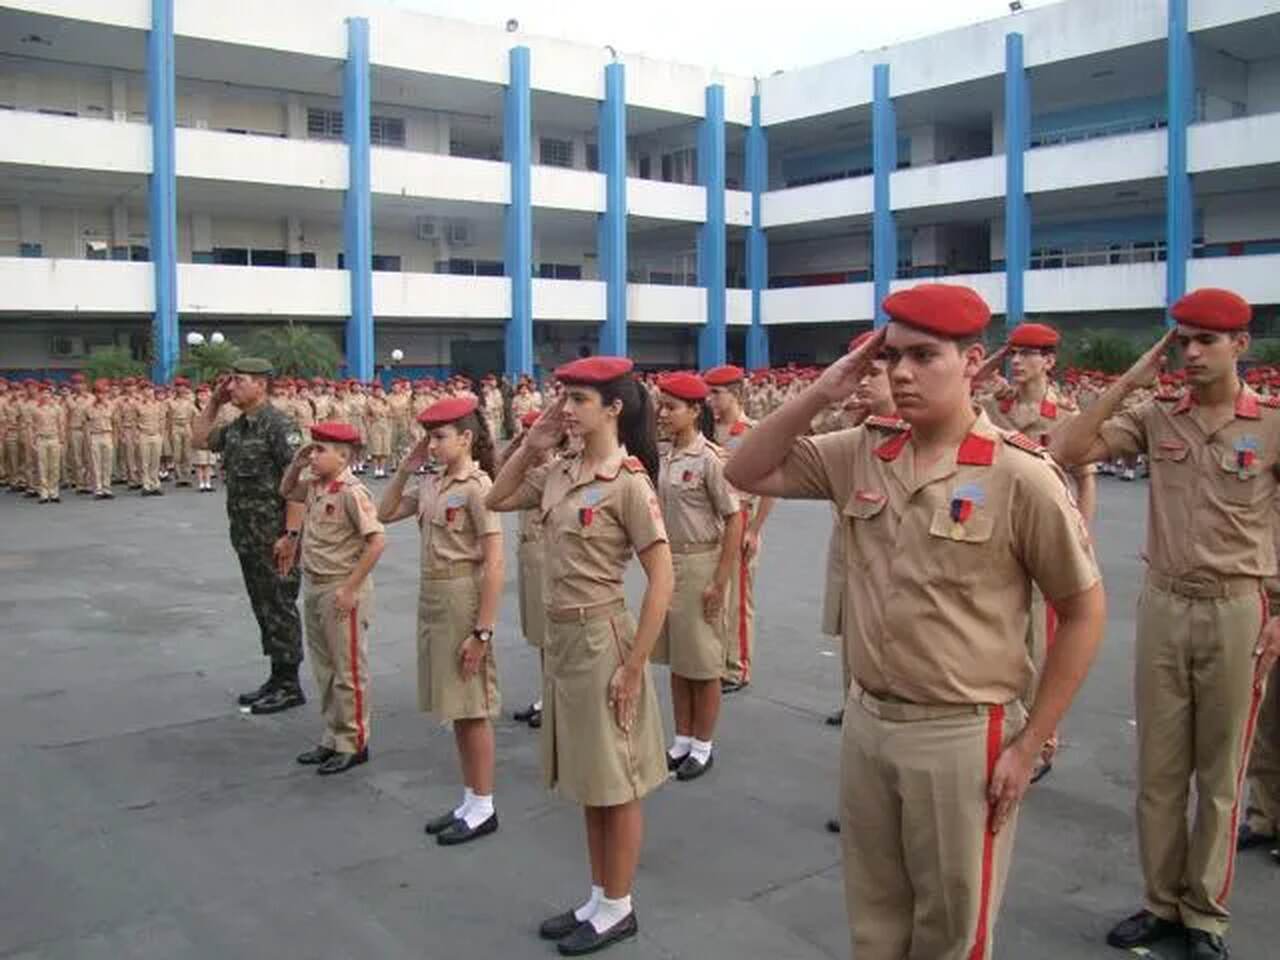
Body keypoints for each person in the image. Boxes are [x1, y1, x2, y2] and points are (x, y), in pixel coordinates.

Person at [725, 283, 1105, 960]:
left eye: (923, 355)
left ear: (973, 362)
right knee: (875, 926)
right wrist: (822, 391)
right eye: (890, 355)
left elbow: (1082, 610)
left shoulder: (1020, 475)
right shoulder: (864, 451)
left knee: (950, 936)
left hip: (963, 735)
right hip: (869, 723)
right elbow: (746, 469)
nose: (899, 372)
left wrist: (1031, 744)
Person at [1052, 288, 1280, 960]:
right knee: (1159, 768)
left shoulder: (1270, 423)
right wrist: (1131, 379)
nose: (1192, 353)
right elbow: (1068, 447)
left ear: (1241, 345)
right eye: (1181, 340)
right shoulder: (1157, 416)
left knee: (1220, 773)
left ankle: (1203, 913)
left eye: (1207, 340)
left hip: (1240, 605)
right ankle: (1160, 902)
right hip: (1164, 602)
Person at [487, 356, 674, 956]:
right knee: (592, 778)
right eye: (563, 398)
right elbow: (496, 495)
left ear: (614, 408)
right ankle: (600, 896)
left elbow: (662, 578)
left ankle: (619, 906)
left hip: (602, 638)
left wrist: (635, 663)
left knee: (616, 780)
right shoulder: (562, 470)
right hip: (563, 639)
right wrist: (534, 440)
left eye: (578, 400)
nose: (565, 409)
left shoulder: (628, 482)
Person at [378, 396, 505, 846]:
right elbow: (383, 512)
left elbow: (494, 563)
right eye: (429, 438)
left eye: (439, 437)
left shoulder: (477, 486)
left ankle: (485, 804)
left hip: (462, 598)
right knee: (455, 708)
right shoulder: (432, 483)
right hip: (432, 595)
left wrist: (482, 631)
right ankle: (470, 798)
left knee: (472, 708)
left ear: (466, 438)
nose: (431, 446)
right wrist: (406, 468)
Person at [978, 321, 1099, 782]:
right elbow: (960, 388)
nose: (1019, 361)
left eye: (1030, 354)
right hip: (996, 534)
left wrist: (1081, 535)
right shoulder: (992, 407)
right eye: (1014, 353)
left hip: (1045, 539)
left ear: (1050, 361)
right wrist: (991, 359)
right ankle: (1007, 732)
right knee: (1001, 635)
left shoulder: (1065, 415)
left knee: (1041, 644)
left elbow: (1085, 478)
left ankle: (1040, 740)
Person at [192, 357, 308, 716]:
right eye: (231, 382)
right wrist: (213, 403)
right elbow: (199, 439)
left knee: (280, 605)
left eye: (238, 381)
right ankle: (276, 675)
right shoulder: (238, 427)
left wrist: (290, 534)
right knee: (263, 604)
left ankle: (290, 683)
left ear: (261, 384)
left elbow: (298, 483)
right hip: (247, 534)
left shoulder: (278, 425)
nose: (232, 388)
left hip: (276, 535)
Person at [280, 422, 385, 775]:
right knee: (324, 668)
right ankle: (332, 736)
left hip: (341, 588)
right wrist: (296, 464)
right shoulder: (314, 486)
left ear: (343, 456)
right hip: (315, 584)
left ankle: (354, 742)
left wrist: (351, 588)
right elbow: (286, 491)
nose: (313, 455)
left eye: (320, 450)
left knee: (348, 670)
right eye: (312, 448)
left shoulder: (352, 492)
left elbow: (376, 542)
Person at [652, 372, 742, 781]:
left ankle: (703, 746)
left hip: (702, 562)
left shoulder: (710, 460)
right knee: (678, 659)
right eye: (662, 405)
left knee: (704, 661)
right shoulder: (666, 456)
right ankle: (682, 737)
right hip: (671, 565)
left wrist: (719, 581)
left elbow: (734, 519)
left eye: (672, 407)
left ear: (694, 411)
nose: (664, 414)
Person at [703, 365, 775, 693]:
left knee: (738, 600)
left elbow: (769, 486)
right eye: (709, 393)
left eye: (717, 393)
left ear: (736, 394)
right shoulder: (708, 431)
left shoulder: (752, 432)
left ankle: (738, 667)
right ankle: (717, 659)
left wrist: (754, 530)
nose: (710, 400)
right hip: (710, 520)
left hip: (742, 516)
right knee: (716, 593)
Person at [507, 409, 553, 730]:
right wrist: (517, 448)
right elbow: (497, 477)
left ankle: (554, 700)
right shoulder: (526, 466)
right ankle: (545, 695)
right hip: (527, 554)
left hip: (546, 557)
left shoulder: (553, 469)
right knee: (538, 635)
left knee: (550, 637)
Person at [29, 383, 65, 504]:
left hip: (54, 438)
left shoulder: (57, 408)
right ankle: (44, 492)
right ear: (40, 394)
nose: (46, 395)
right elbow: (32, 427)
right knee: (42, 466)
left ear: (51, 394)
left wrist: (62, 441)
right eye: (43, 392)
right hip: (41, 439)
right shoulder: (35, 409)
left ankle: (54, 492)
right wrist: (32, 441)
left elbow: (61, 425)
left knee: (54, 466)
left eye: (48, 392)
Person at [135, 385, 166, 496]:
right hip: (144, 435)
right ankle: (146, 484)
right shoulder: (138, 405)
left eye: (150, 389)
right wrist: (137, 436)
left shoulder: (159, 405)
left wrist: (161, 435)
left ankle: (155, 484)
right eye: (145, 389)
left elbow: (162, 420)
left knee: (155, 461)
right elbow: (134, 421)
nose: (148, 392)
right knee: (144, 461)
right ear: (142, 392)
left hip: (156, 435)